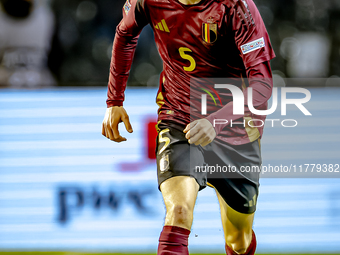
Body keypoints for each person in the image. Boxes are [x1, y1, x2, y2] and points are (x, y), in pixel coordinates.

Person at [102, 0, 275, 254]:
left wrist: (215, 122)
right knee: (179, 211)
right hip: (179, 117)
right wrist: (114, 101)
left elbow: (262, 84)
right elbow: (125, 33)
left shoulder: (237, 7)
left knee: (239, 239)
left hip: (233, 125)